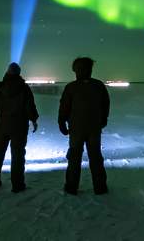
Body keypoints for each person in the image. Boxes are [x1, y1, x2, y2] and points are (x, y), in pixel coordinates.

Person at [58, 57, 110, 195]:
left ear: (76, 70)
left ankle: (71, 187)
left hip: (77, 128)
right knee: (95, 157)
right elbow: (105, 104)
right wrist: (103, 120)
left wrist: (61, 122)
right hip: (94, 128)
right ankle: (100, 187)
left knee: (75, 158)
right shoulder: (98, 85)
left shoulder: (71, 87)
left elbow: (64, 107)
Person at [0, 62, 39, 193]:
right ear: (18, 73)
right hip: (19, 127)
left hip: (1, 126)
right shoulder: (24, 88)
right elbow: (30, 106)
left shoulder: (0, 87)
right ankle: (18, 185)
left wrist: (4, 110)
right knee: (18, 156)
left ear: (7, 72)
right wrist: (34, 119)